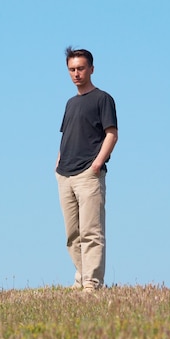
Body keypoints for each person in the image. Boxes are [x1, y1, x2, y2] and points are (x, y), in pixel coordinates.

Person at [55, 47, 118, 292]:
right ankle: (81, 277)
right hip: (65, 174)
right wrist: (58, 163)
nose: (76, 74)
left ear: (91, 69)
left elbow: (111, 134)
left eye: (81, 68)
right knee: (72, 234)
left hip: (88, 174)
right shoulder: (70, 103)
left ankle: (92, 283)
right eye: (72, 69)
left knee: (91, 231)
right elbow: (66, 135)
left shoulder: (103, 99)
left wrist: (97, 164)